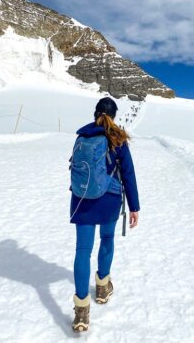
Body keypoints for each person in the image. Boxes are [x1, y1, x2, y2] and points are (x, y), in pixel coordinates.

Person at [69, 97, 140, 332]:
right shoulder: (117, 139)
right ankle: (102, 287)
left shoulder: (82, 138)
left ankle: (81, 311)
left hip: (82, 201)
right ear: (114, 115)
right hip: (109, 199)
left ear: (95, 114)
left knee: (82, 250)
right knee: (107, 240)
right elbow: (128, 174)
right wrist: (134, 206)